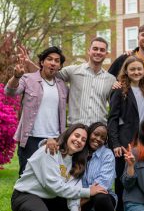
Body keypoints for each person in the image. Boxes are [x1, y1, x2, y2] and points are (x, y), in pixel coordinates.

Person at [11, 123, 105, 211]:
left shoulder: (77, 164)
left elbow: (72, 196)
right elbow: (54, 186)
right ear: (68, 135)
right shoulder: (50, 150)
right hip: (27, 195)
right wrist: (88, 192)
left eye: (83, 140)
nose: (79, 140)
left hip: (51, 198)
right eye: (76, 135)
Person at [23, 37, 116, 125]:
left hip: (98, 133)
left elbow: (117, 105)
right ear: (89, 51)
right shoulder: (73, 71)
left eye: (102, 50)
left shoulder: (111, 79)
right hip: (75, 132)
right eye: (95, 49)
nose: (98, 52)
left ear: (106, 54)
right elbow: (47, 73)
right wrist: (28, 62)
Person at [4, 46, 68, 176]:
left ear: (60, 66)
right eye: (49, 59)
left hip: (54, 139)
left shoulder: (62, 86)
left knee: (51, 177)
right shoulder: (27, 79)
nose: (53, 63)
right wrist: (16, 77)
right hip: (30, 139)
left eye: (57, 61)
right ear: (42, 62)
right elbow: (9, 92)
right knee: (26, 177)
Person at [107, 56, 144, 211]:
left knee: (140, 177)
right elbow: (112, 119)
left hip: (143, 141)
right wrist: (115, 143)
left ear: (143, 71)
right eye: (132, 69)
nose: (136, 72)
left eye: (139, 69)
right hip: (124, 142)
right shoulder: (120, 90)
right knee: (122, 180)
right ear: (126, 70)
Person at [81, 122, 117, 211]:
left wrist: (80, 203)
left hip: (102, 197)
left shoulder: (107, 154)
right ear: (89, 133)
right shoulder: (80, 150)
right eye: (96, 134)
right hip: (79, 195)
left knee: (101, 197)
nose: (98, 139)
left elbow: (102, 185)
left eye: (103, 138)